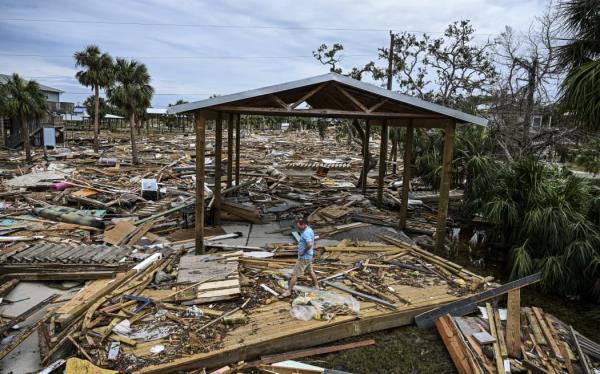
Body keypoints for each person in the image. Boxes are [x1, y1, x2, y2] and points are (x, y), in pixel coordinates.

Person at [279, 218, 319, 298]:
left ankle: (288, 291)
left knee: (295, 274)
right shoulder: (309, 229)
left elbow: (309, 244)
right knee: (311, 271)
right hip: (309, 256)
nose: (298, 228)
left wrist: (303, 252)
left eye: (299, 226)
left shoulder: (306, 233)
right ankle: (316, 286)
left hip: (304, 257)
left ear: (304, 224)